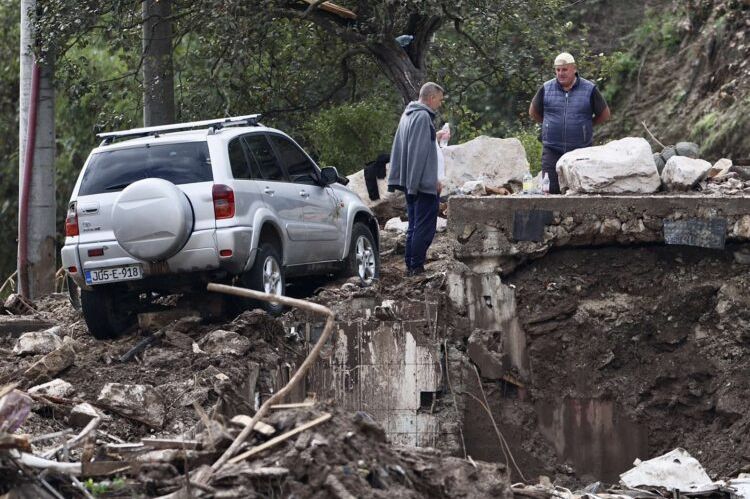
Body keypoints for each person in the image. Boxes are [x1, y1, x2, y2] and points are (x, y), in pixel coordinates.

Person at [529, 52, 611, 194]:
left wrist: (587, 125)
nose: (561, 73)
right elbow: (533, 111)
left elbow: (604, 114)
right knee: (550, 190)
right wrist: (548, 123)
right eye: (558, 70)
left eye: (565, 69)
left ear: (574, 69)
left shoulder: (589, 89)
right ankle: (552, 216)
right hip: (552, 149)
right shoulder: (546, 88)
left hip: (581, 150)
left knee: (582, 191)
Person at [388, 82, 446, 276]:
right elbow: (418, 154)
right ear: (431, 98)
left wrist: (435, 137)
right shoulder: (422, 117)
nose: (439, 103)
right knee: (424, 227)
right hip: (421, 184)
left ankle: (410, 264)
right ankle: (417, 267)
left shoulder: (409, 114)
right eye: (439, 99)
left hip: (411, 182)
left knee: (414, 225)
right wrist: (427, 182)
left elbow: (415, 144)